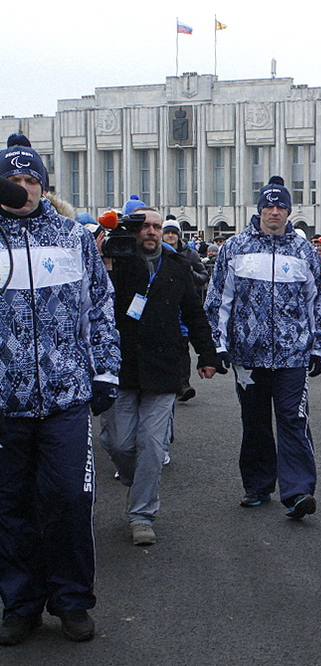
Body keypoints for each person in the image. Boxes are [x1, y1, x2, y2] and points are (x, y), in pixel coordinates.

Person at [0, 134, 120, 645]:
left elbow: (101, 306)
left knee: (70, 498)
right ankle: (21, 604)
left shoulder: (72, 237)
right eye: (15, 180)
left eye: (33, 181)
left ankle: (71, 600)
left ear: (45, 187)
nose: (24, 189)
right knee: (12, 506)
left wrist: (106, 371)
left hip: (67, 397)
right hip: (6, 401)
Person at [205, 175, 321, 519]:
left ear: (289, 212)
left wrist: (318, 346)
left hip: (292, 355)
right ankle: (258, 485)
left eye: (280, 207)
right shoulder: (235, 248)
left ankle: (297, 491)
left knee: (293, 419)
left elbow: (317, 302)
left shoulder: (304, 251)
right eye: (268, 206)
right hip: (248, 356)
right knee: (255, 422)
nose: (274, 212)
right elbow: (218, 300)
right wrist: (218, 344)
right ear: (259, 210)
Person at [102, 205, 221, 546]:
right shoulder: (116, 263)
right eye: (145, 226)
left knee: (153, 446)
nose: (152, 232)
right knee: (119, 442)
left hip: (163, 369)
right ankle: (138, 480)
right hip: (121, 368)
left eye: (157, 226)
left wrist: (207, 354)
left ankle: (142, 514)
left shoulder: (177, 267)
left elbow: (194, 313)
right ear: (133, 230)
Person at [162, 216, 210, 402]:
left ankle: (183, 384)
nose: (171, 236)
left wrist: (188, 273)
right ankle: (169, 381)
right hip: (164, 304)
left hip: (185, 303)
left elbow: (203, 276)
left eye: (174, 233)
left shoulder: (190, 254)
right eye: (167, 233)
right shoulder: (156, 253)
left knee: (183, 345)